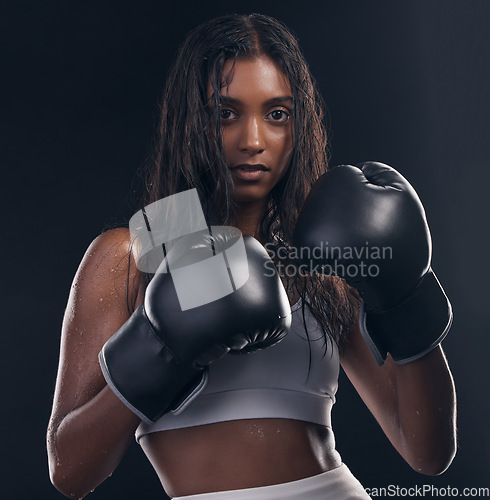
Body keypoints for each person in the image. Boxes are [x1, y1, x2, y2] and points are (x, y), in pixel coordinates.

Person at [46, 13, 457, 500]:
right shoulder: (134, 253)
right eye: (227, 113)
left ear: (298, 124)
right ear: (191, 121)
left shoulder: (320, 254)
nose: (254, 140)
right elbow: (69, 470)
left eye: (277, 113)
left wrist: (404, 293)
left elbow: (428, 453)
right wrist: (162, 350)